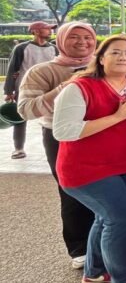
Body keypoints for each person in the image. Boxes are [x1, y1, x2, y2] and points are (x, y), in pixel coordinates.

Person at [52, 35, 126, 283]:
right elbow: (64, 131)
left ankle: (94, 272)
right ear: (101, 58)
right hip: (86, 169)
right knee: (119, 218)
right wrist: (117, 116)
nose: (123, 57)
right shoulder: (79, 87)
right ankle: (125, 277)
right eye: (115, 52)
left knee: (105, 218)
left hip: (125, 164)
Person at [17, 22, 96, 269]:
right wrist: (64, 88)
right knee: (72, 190)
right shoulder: (42, 71)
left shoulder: (102, 65)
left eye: (87, 37)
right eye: (74, 37)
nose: (82, 42)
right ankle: (79, 246)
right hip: (61, 136)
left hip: (102, 132)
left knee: (108, 185)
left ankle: (111, 234)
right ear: (61, 40)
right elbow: (26, 110)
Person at [4, 20, 57, 159]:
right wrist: (9, 91)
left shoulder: (54, 48)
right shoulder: (21, 48)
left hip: (49, 88)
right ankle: (18, 149)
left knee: (50, 120)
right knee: (21, 118)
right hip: (25, 88)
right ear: (36, 31)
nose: (50, 31)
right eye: (47, 29)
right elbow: (12, 69)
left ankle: (53, 149)